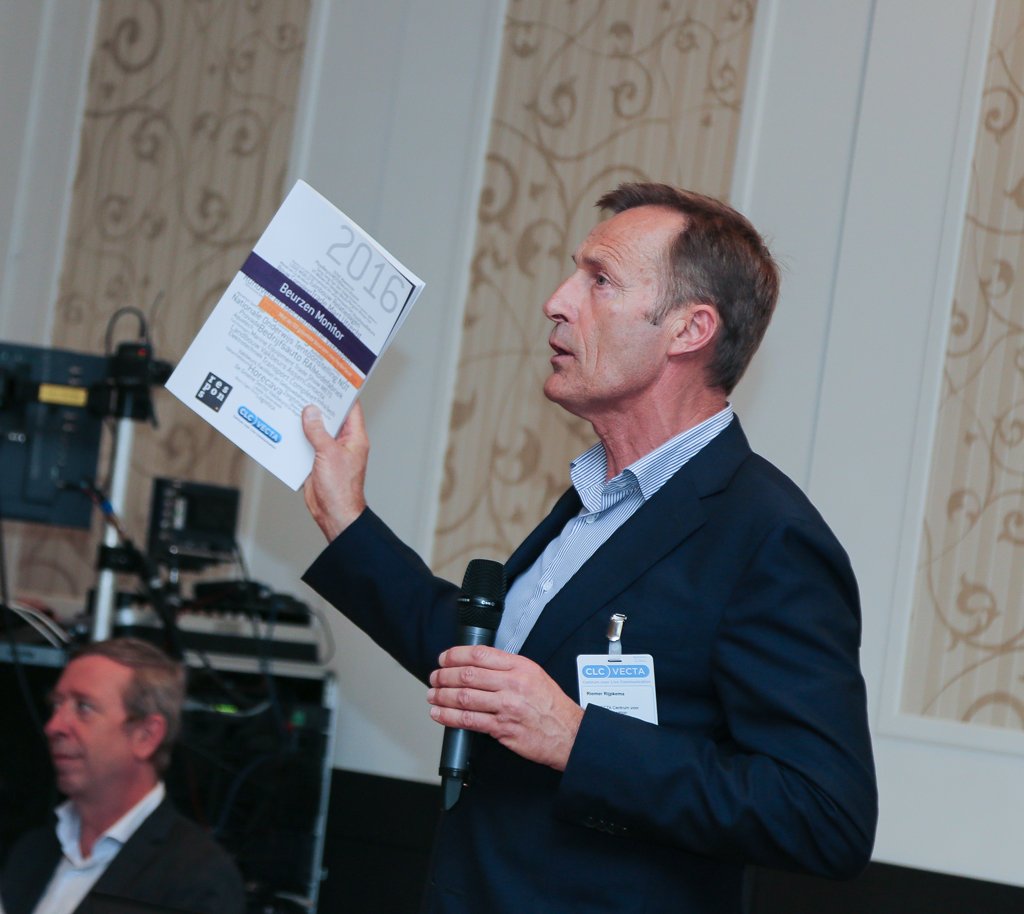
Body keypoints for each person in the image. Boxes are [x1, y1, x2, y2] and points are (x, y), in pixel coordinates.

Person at [301, 183, 878, 913]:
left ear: (689, 330)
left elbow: (824, 816)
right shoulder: (597, 497)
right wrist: (344, 517)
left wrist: (577, 738)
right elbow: (491, 672)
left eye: (599, 280)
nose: (557, 299)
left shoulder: (769, 537)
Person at [0, 638, 245, 914]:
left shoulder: (196, 876)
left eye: (84, 707)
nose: (54, 726)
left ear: (146, 736)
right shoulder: (32, 851)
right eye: (56, 705)